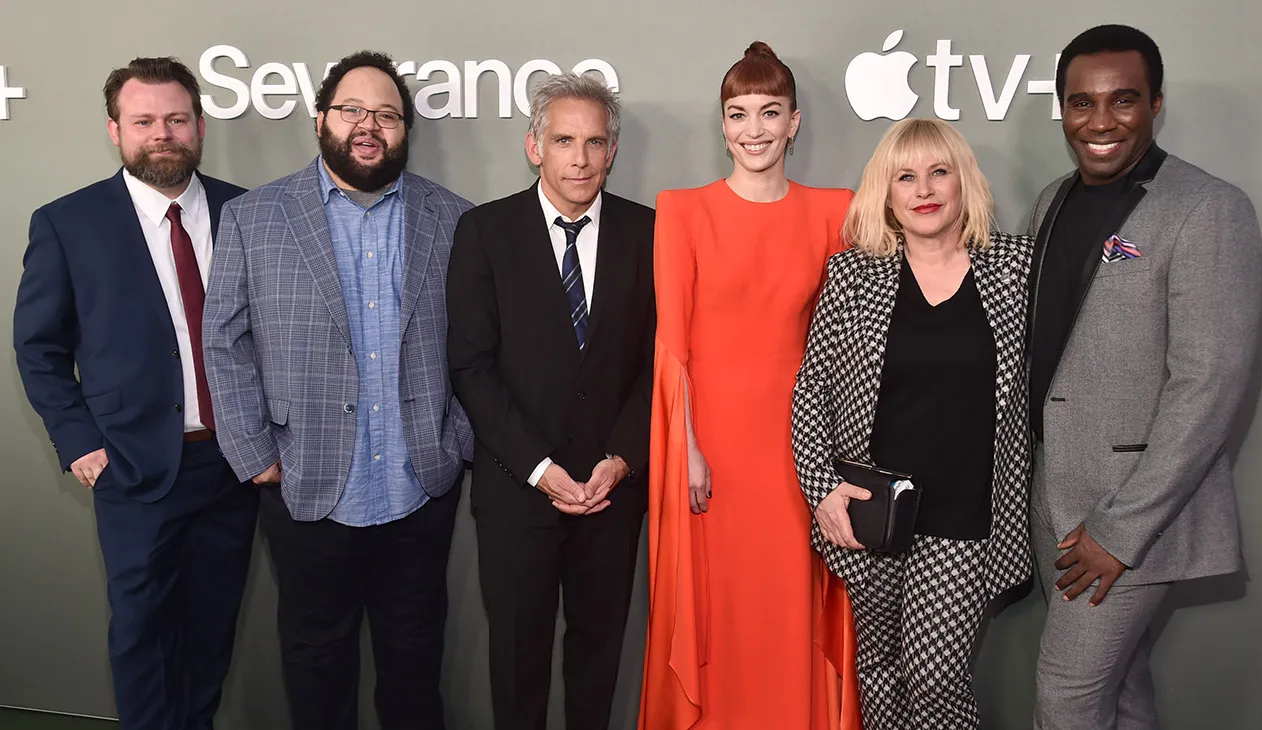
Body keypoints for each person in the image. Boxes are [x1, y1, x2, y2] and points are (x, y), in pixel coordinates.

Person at [202, 50, 474, 730]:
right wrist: (252, 451)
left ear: (405, 129)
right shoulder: (253, 218)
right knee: (316, 668)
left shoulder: (455, 219)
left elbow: (480, 344)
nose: (369, 125)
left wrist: (456, 439)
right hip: (304, 486)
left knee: (415, 666)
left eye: (386, 114)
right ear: (321, 118)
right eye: (353, 109)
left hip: (420, 484)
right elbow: (223, 342)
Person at [1027, 25, 1262, 730]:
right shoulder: (1050, 200)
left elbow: (1211, 384)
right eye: (1081, 103)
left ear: (1156, 102)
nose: (1101, 122)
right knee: (1119, 691)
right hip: (1054, 500)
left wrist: (1120, 532)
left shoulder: (1209, 209)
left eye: (1123, 100)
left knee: (1065, 697)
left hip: (1128, 518)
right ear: (1063, 109)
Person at [12, 57, 254, 730]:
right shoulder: (68, 223)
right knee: (143, 635)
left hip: (234, 467)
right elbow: (38, 346)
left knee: (212, 632)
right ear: (115, 130)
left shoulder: (248, 212)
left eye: (177, 119)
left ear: (200, 127)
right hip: (132, 465)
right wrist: (80, 441)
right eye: (144, 121)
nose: (162, 134)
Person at [640, 41, 860, 730]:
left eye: (770, 113)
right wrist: (689, 448)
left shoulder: (837, 211)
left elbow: (844, 351)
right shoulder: (682, 211)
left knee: (789, 603)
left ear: (794, 122)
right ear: (723, 124)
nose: (754, 130)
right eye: (738, 114)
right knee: (717, 609)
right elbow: (672, 346)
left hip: (799, 448)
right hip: (712, 451)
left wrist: (828, 461)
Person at [792, 118, 1034, 729]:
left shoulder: (1016, 268)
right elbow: (809, 393)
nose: (923, 189)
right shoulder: (854, 276)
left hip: (966, 517)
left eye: (938, 172)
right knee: (880, 671)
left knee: (934, 679)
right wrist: (823, 491)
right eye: (906, 176)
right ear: (888, 192)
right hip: (873, 516)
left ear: (963, 182)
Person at [445, 72, 654, 730]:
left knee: (598, 661)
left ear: (613, 151)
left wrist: (621, 458)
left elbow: (661, 364)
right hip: (517, 491)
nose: (580, 158)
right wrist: (540, 469)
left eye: (595, 142)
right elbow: (471, 367)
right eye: (564, 140)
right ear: (534, 145)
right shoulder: (484, 231)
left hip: (611, 491)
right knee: (518, 663)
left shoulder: (651, 233)